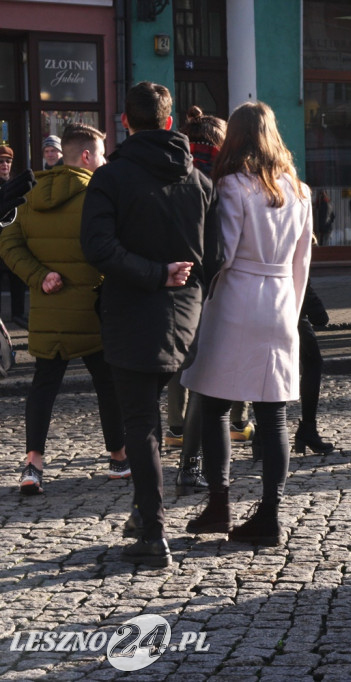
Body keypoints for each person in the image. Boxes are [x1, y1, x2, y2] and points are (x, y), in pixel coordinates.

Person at [81, 81, 220, 568]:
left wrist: (155, 274)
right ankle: (144, 515)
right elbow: (216, 256)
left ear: (126, 121)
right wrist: (183, 286)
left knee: (140, 423)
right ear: (167, 121)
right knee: (150, 421)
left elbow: (97, 247)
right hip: (184, 318)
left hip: (133, 315)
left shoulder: (111, 178)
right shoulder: (199, 181)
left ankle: (152, 529)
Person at [181, 100, 312, 547]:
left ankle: (219, 503)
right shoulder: (299, 188)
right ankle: (270, 514)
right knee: (273, 414)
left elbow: (225, 253)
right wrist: (290, 313)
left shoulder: (233, 185)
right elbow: (303, 263)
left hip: (236, 297)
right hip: (279, 301)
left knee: (216, 405)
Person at [0, 123, 128, 495]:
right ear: (86, 156)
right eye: (101, 154)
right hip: (91, 307)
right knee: (107, 384)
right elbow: (108, 248)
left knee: (43, 385)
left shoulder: (28, 193)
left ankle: (33, 464)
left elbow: (8, 244)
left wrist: (39, 276)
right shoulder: (98, 194)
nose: (103, 161)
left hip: (48, 307)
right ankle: (119, 457)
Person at [163, 104, 252, 495]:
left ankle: (177, 428)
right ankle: (238, 422)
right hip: (216, 282)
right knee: (223, 364)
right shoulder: (225, 177)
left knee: (184, 359)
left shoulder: (175, 170)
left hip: (174, 278)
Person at [294, 280, 335, 454]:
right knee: (313, 363)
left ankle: (262, 438)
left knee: (263, 365)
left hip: (254, 302)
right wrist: (316, 309)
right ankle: (308, 428)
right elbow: (299, 274)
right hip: (289, 306)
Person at [0, 145, 29, 327]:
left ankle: (18, 314)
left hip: (13, 240)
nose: (4, 165)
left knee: (17, 278)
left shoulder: (16, 184)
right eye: (1, 162)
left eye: (8, 161)